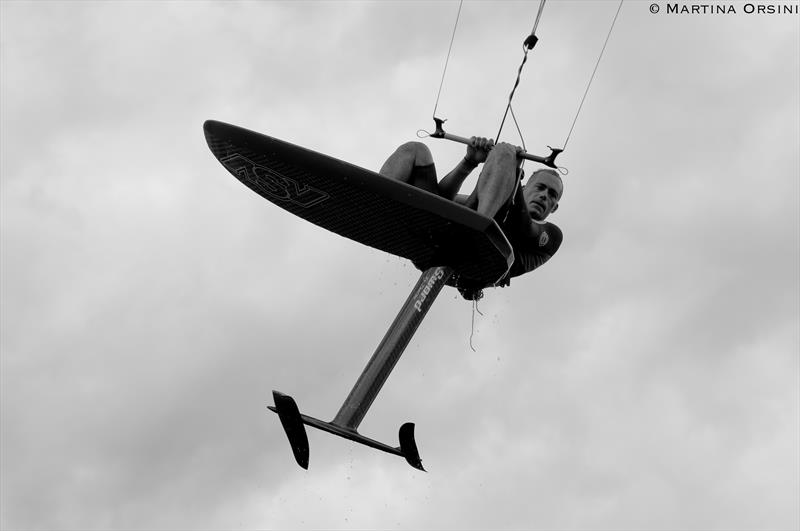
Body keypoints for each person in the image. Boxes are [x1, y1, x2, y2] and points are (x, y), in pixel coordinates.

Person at [379, 138, 563, 299]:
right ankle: (377, 204)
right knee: (416, 150)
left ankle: (476, 229)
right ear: (525, 189)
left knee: (503, 151)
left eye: (552, 195)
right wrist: (469, 162)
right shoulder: (492, 197)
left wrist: (513, 172)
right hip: (440, 245)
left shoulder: (551, 234)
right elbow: (442, 200)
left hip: (478, 267)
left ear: (555, 207)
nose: (545, 196)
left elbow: (524, 226)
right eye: (540, 188)